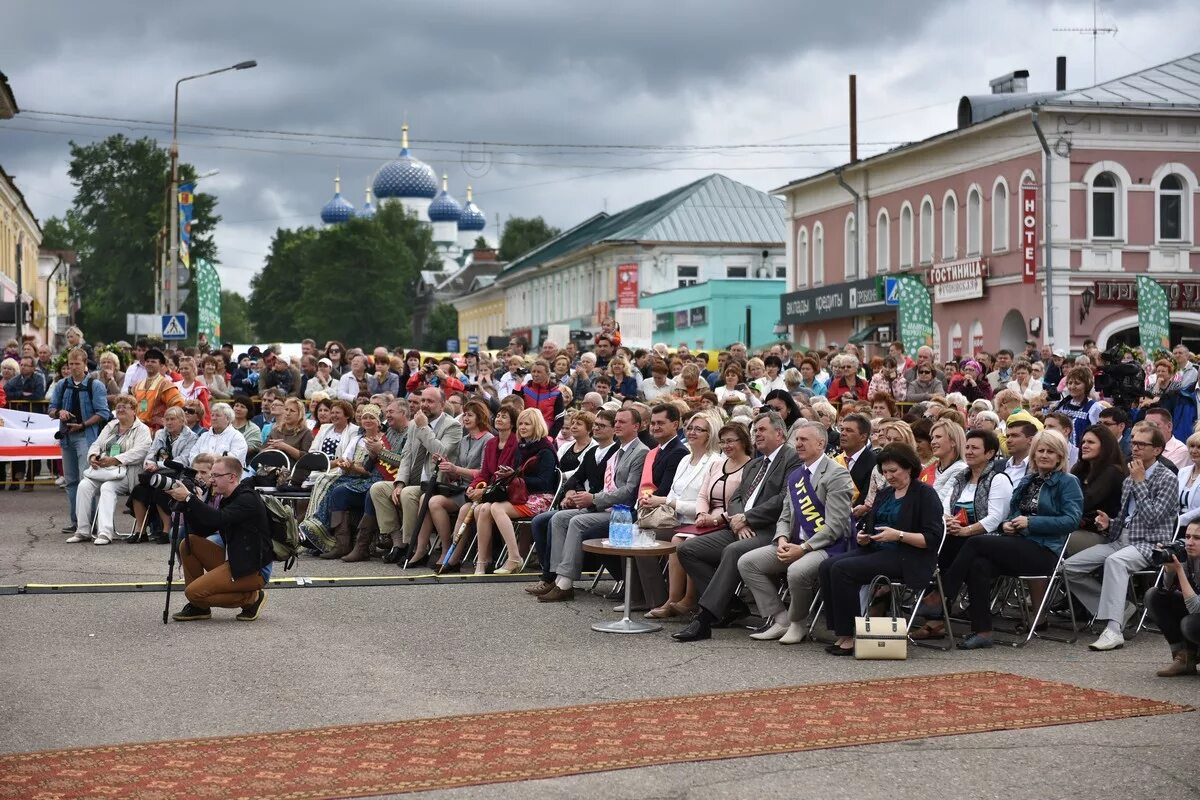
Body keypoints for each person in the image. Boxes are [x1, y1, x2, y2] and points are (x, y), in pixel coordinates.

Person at [931, 429, 1083, 649]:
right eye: (1040, 450)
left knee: (975, 542)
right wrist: (1009, 524)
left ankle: (942, 596)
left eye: (1051, 451)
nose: (1044, 455)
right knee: (978, 564)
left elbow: (1071, 520)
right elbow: (1012, 513)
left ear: (1060, 456)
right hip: (1019, 544)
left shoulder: (1068, 482)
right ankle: (982, 631)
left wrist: (1031, 523)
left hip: (1045, 550)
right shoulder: (1029, 480)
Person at [673, 412, 802, 642]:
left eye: (762, 430)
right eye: (755, 431)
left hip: (771, 530)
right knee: (687, 549)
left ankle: (704, 619)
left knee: (732, 551)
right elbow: (736, 498)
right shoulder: (755, 464)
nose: (757, 434)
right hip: (739, 526)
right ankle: (730, 605)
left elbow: (785, 498)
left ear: (779, 433)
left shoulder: (791, 458)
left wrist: (748, 518)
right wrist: (738, 519)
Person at [818, 443, 944, 655]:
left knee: (842, 569)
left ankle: (849, 635)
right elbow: (870, 524)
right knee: (827, 566)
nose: (888, 476)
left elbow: (931, 539)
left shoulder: (925, 494)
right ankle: (841, 632)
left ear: (909, 468)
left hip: (908, 555)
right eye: (884, 472)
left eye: (893, 471)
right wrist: (863, 536)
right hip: (878, 549)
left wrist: (899, 535)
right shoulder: (885, 493)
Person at [1064, 422, 1180, 651]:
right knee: (1069, 568)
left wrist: (1139, 482)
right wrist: (1110, 523)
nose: (1134, 448)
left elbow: (1152, 519)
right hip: (1120, 540)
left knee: (1115, 562)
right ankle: (1122, 608)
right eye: (1133, 442)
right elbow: (1128, 518)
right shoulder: (1129, 478)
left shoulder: (1167, 478)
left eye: (1141, 444)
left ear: (1157, 449)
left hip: (1151, 544)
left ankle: (1113, 629)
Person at [738, 419, 855, 644]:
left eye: (804, 440)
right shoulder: (796, 476)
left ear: (821, 444)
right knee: (748, 563)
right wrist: (781, 538)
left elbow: (836, 527)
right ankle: (780, 619)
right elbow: (784, 516)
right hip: (794, 544)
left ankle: (797, 623)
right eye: (797, 439)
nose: (798, 444)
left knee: (797, 571)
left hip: (828, 546)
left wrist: (802, 549)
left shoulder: (837, 475)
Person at [911, 429, 1014, 640]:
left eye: (975, 448)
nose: (969, 451)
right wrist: (947, 521)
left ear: (990, 453)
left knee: (964, 545)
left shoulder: (998, 479)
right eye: (967, 447)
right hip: (961, 540)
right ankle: (971, 628)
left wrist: (965, 530)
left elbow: (995, 519)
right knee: (971, 563)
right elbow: (945, 506)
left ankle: (940, 596)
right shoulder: (961, 477)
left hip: (992, 541)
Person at [538, 408, 649, 602]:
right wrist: (580, 495)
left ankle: (565, 584)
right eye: (616, 422)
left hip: (623, 512)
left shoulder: (640, 452)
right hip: (606, 506)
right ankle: (557, 578)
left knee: (576, 522)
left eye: (622, 422)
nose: (617, 425)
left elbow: (629, 491)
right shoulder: (619, 451)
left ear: (636, 426)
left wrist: (594, 498)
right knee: (559, 518)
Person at [166, 456, 274, 622]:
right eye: (212, 475)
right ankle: (199, 608)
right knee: (189, 543)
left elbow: (218, 519)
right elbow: (204, 529)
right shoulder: (227, 498)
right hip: (236, 561)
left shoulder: (247, 498)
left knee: (193, 593)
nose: (211, 480)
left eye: (216, 476)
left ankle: (251, 598)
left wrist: (189, 498)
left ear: (232, 477)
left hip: (253, 569)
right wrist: (188, 504)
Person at [526, 410, 617, 596]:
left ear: (614, 429)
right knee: (541, 520)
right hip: (584, 503)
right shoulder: (592, 452)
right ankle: (551, 576)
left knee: (560, 519)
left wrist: (589, 498)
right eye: (596, 425)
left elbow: (611, 489)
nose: (597, 428)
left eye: (602, 426)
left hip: (600, 506)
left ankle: (560, 579)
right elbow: (574, 479)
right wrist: (569, 493)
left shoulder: (616, 452)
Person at [379, 387, 463, 559]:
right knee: (378, 489)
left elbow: (441, 453)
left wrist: (424, 428)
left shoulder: (452, 426)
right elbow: (406, 456)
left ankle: (414, 545)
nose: (424, 405)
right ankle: (398, 542)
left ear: (442, 404)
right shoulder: (414, 425)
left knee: (409, 493)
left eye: (430, 401)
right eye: (423, 400)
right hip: (413, 480)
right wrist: (400, 482)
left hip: (436, 484)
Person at [299, 404, 386, 557]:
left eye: (372, 417)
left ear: (379, 422)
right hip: (354, 476)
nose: (367, 420)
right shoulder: (358, 438)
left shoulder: (383, 441)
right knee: (327, 483)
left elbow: (368, 470)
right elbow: (346, 459)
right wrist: (346, 465)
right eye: (365, 417)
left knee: (337, 488)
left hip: (373, 479)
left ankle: (336, 536)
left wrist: (352, 466)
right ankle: (339, 542)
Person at [67, 395, 152, 545]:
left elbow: (141, 452)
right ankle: (82, 531)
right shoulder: (111, 425)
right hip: (104, 470)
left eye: (124, 407)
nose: (120, 409)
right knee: (83, 486)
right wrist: (93, 456)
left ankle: (105, 533)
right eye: (118, 407)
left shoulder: (142, 429)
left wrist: (115, 459)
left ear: (134, 410)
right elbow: (96, 444)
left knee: (107, 488)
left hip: (127, 473)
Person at [47, 347, 112, 533]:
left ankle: (90, 523)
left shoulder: (95, 385)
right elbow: (51, 408)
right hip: (67, 437)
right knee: (71, 481)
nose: (73, 367)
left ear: (85, 364)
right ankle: (77, 521)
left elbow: (103, 412)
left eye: (77, 364)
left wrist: (83, 425)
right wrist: (59, 412)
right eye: (70, 364)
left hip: (86, 436)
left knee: (86, 480)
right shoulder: (62, 384)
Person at [129, 406, 198, 541]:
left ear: (182, 420)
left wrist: (158, 465)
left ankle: (166, 531)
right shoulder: (160, 433)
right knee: (138, 490)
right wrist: (149, 464)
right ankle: (141, 531)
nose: (169, 422)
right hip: (156, 472)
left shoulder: (191, 437)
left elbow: (184, 460)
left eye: (173, 419)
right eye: (167, 419)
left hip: (177, 474)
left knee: (161, 489)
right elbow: (151, 453)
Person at [1144, 521, 1200, 676]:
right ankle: (1184, 658)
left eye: (1196, 538)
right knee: (1154, 596)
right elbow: (1166, 591)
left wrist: (1180, 571)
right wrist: (1169, 569)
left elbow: (1195, 608)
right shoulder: (1188, 555)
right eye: (1187, 536)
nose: (1189, 542)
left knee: (1190, 624)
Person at [1065, 424, 1128, 556]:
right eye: (1083, 442)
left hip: (1101, 534)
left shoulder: (1113, 471)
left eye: (1091, 442)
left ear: (1105, 446)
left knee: (1052, 539)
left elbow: (1084, 504)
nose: (1084, 445)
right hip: (1074, 527)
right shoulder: (1079, 470)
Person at [130, 348, 184, 432]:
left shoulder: (165, 385)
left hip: (157, 431)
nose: (149, 364)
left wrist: (165, 420)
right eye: (147, 361)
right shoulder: (137, 386)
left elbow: (178, 405)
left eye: (153, 362)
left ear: (161, 365)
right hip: (137, 429)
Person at [920, 418, 968, 509]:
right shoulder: (930, 468)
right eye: (932, 438)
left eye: (938, 437)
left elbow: (940, 501)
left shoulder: (961, 469)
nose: (933, 442)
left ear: (953, 442)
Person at [1053, 366, 1102, 450]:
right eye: (1070, 383)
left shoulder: (1093, 407)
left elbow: (1098, 435)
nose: (1072, 387)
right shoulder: (1062, 406)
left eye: (1077, 383)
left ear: (1087, 385)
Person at [185, 402, 249, 467]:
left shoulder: (237, 436)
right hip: (201, 473)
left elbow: (235, 459)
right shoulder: (204, 436)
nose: (213, 418)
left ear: (227, 419)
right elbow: (192, 455)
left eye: (217, 415)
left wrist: (212, 461)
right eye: (212, 415)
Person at [836, 412, 877, 507]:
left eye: (849, 430)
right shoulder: (835, 460)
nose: (843, 433)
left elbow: (868, 497)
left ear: (863, 436)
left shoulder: (874, 462)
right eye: (842, 429)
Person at [260, 397, 315, 464]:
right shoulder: (275, 431)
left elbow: (307, 458)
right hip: (272, 467)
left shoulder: (305, 432)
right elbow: (261, 452)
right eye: (286, 409)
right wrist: (269, 449)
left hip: (294, 469)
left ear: (300, 414)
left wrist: (285, 447)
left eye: (292, 411)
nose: (288, 413)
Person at [520, 359, 565, 438]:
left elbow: (559, 419)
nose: (535, 374)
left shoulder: (556, 393)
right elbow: (514, 407)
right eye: (533, 371)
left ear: (547, 374)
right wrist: (517, 383)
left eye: (539, 372)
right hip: (525, 435)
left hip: (545, 435)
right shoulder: (524, 389)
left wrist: (551, 437)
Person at [174, 356, 211, 427]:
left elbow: (205, 412)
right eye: (181, 369)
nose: (183, 371)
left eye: (186, 368)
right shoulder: (175, 386)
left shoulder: (200, 389)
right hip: (177, 424)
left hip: (194, 427)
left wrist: (205, 428)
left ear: (193, 369)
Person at [1178, 433, 1200, 533]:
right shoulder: (1183, 471)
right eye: (1191, 446)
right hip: (1177, 526)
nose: (1194, 451)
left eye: (1199, 447)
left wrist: (1182, 519)